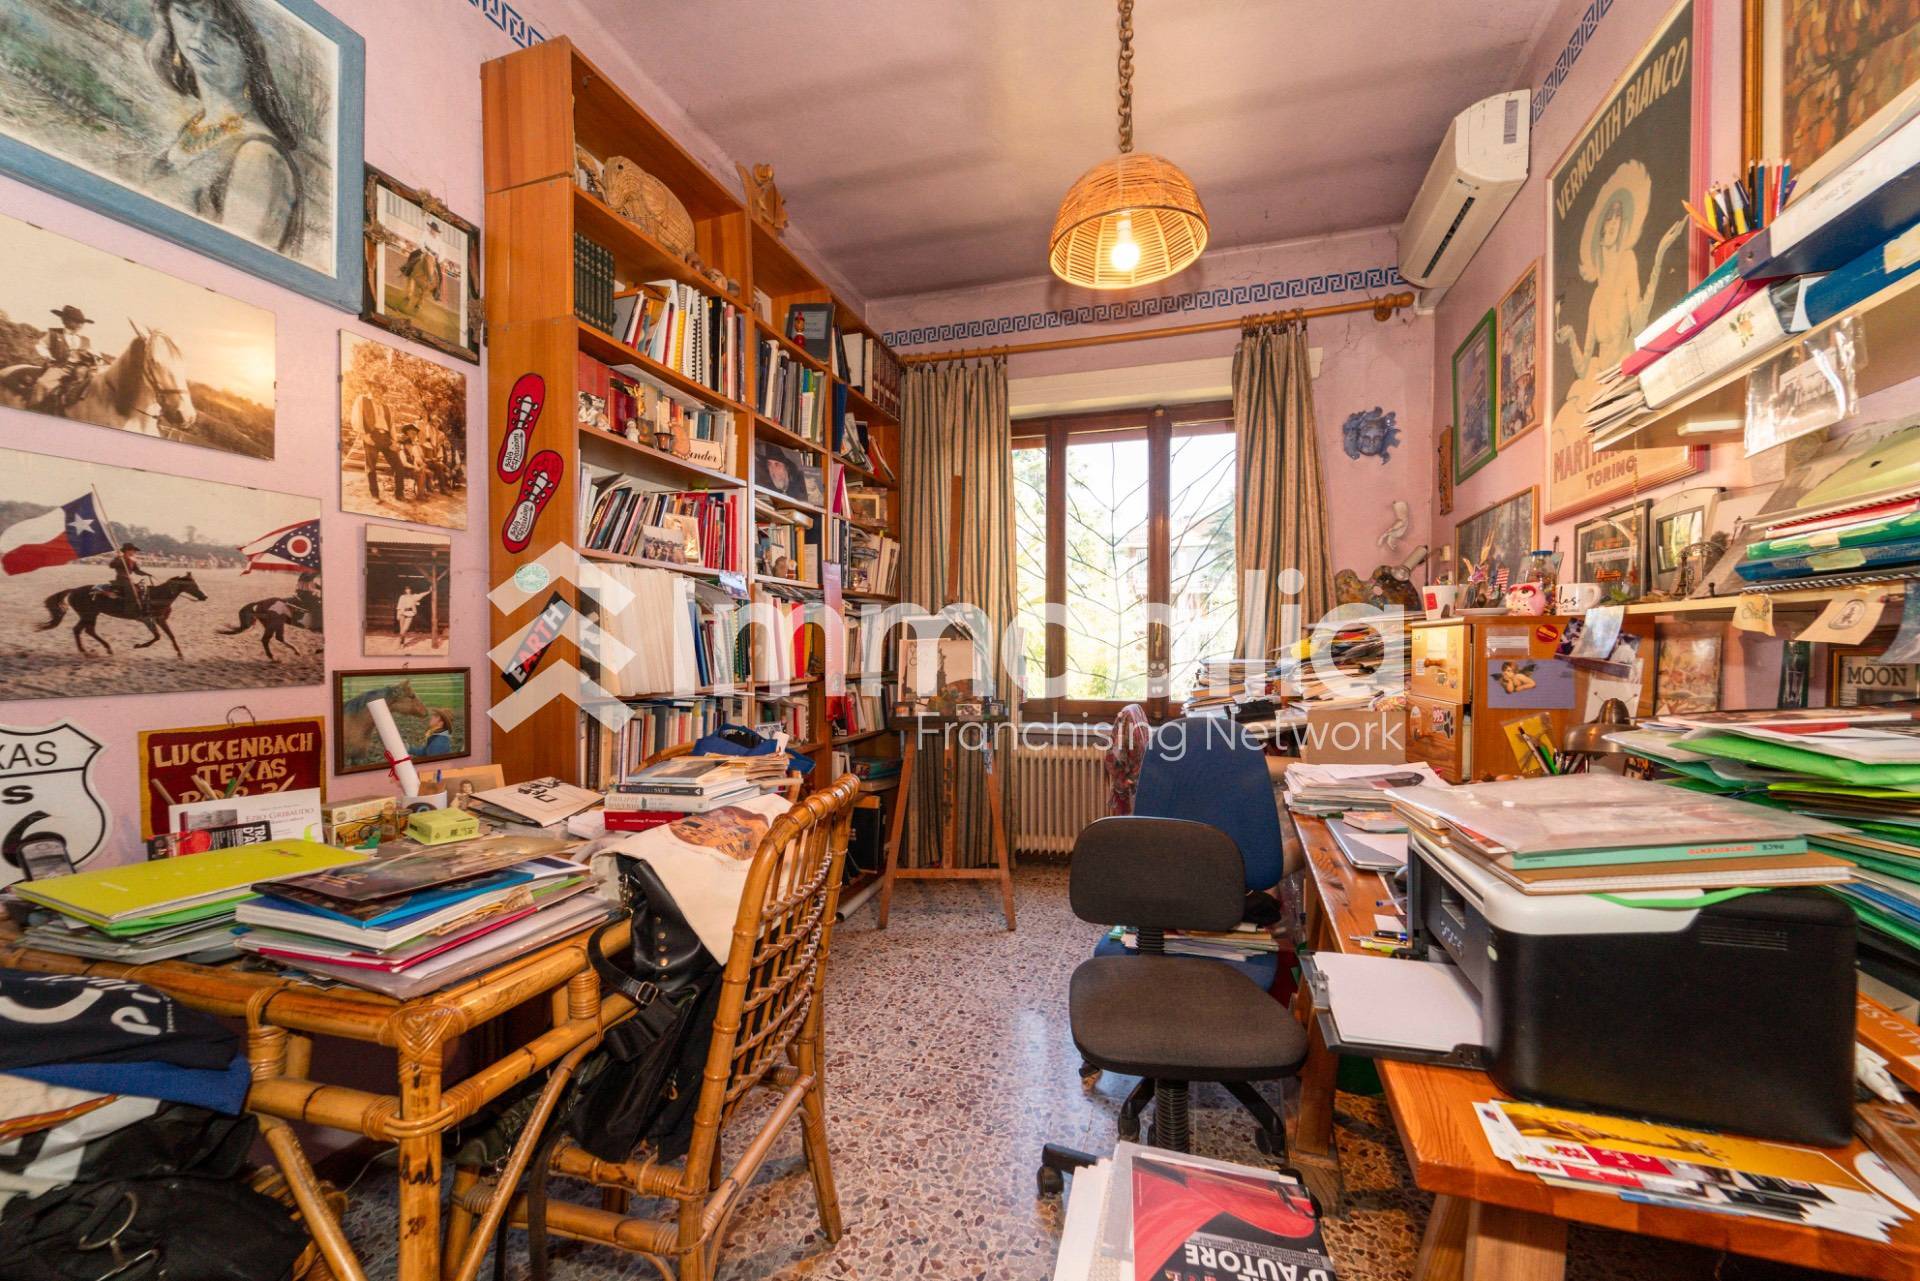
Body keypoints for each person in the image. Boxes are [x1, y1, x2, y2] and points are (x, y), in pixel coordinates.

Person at [146, 0, 307, 257]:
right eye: (188, 16)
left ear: (250, 58)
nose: (199, 39)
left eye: (221, 34)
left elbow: (243, 263)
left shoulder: (258, 155)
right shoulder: (198, 126)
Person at [34, 306, 99, 412]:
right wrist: (49, 357)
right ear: (65, 320)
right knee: (42, 384)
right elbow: (40, 345)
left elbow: (95, 354)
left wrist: (95, 357)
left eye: (81, 322)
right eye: (76, 321)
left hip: (81, 370)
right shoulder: (54, 334)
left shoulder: (86, 340)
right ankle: (33, 410)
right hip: (60, 367)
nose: (80, 325)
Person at [108, 542, 154, 616]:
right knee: (132, 591)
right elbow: (111, 565)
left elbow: (137, 571)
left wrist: (147, 574)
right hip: (121, 579)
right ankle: (128, 610)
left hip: (128, 579)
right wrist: (119, 559)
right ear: (127, 551)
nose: (134, 552)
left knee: (141, 589)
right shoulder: (120, 558)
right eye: (133, 550)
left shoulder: (132, 560)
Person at [393, 579, 429, 647]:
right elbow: (399, 605)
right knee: (401, 629)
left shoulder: (414, 596)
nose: (408, 590)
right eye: (407, 589)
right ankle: (402, 643)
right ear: (405, 590)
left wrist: (429, 591)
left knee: (405, 628)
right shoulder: (402, 597)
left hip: (410, 613)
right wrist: (398, 614)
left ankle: (399, 640)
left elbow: (422, 595)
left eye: (409, 589)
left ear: (411, 589)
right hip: (402, 612)